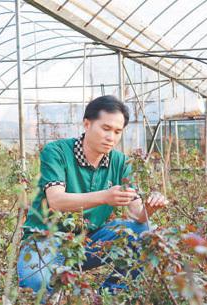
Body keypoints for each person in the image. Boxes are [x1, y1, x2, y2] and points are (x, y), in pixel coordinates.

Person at [17, 95, 168, 295]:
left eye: (117, 131)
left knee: (145, 232)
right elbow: (55, 200)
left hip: (89, 241)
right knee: (35, 284)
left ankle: (109, 296)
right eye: (106, 129)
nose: (111, 137)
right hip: (44, 238)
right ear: (87, 124)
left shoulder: (121, 163)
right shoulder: (57, 152)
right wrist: (105, 196)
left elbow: (137, 216)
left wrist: (150, 207)